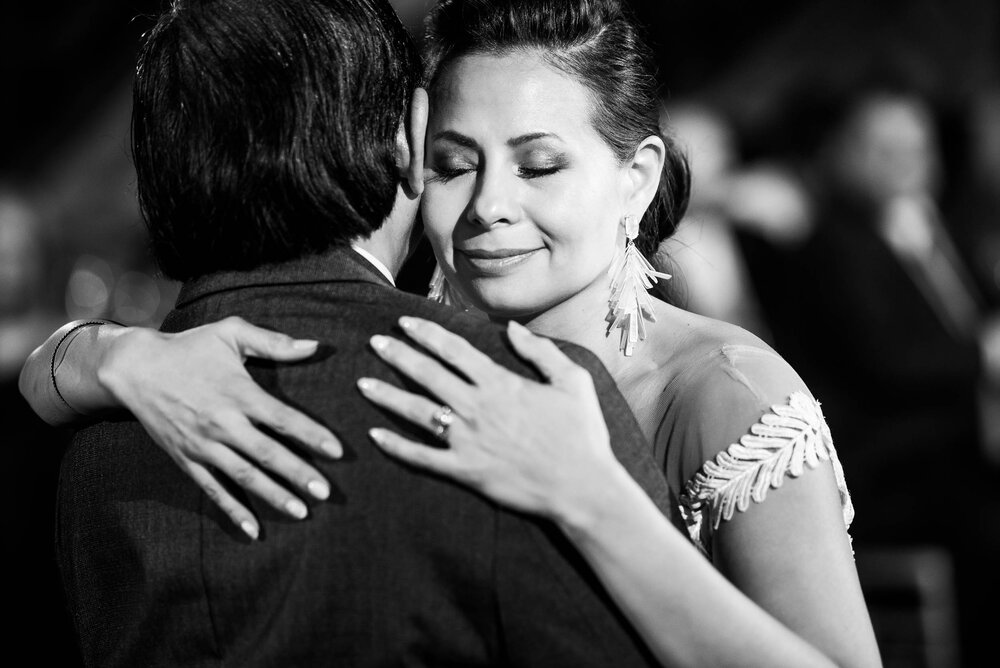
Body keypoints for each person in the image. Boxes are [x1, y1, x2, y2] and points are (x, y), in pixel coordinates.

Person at [22, 1, 882, 666]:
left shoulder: (722, 388)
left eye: (539, 165)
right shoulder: (412, 356)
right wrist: (110, 352)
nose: (489, 205)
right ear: (405, 160)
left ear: (636, 180)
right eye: (454, 164)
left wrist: (593, 495)